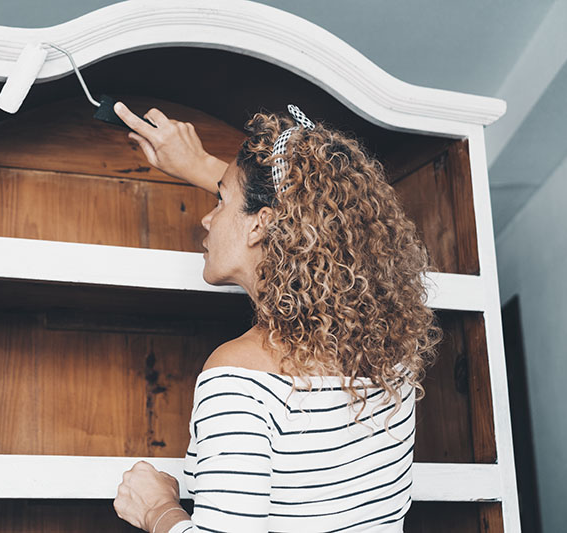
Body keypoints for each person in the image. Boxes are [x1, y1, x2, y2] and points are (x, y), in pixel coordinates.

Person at [111, 101, 442, 533]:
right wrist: (202, 166)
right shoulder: (393, 362)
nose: (207, 220)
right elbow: (313, 207)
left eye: (220, 200)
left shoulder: (241, 376)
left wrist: (156, 508)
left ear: (261, 225)